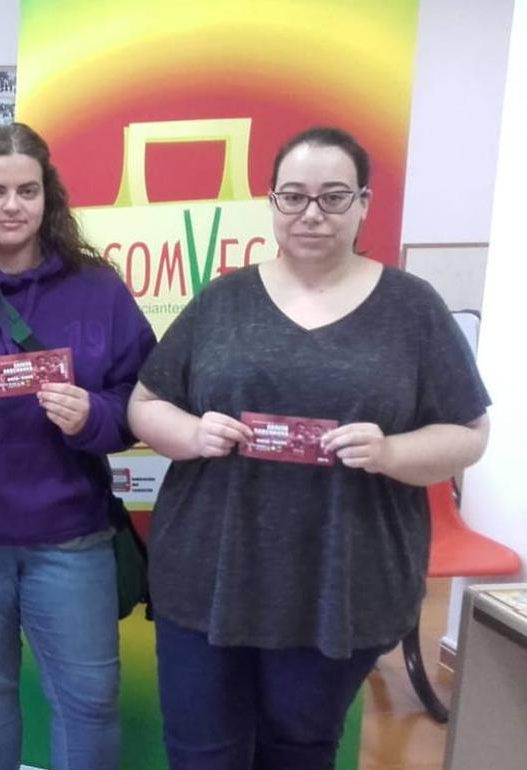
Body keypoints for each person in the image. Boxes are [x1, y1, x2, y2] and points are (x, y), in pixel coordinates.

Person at [127, 126, 491, 770]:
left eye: (333, 196)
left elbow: (469, 433)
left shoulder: (412, 309)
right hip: (208, 572)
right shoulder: (222, 300)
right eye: (293, 196)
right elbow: (145, 403)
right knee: (201, 752)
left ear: (363, 204)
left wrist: (390, 452)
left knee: (300, 750)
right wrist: (193, 434)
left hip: (340, 582)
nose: (312, 213)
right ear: (272, 202)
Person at [0, 123, 156, 770]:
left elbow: (145, 396)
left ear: (49, 198)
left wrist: (95, 415)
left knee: (89, 700)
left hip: (71, 537)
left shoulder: (97, 289)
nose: (11, 206)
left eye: (27, 190)